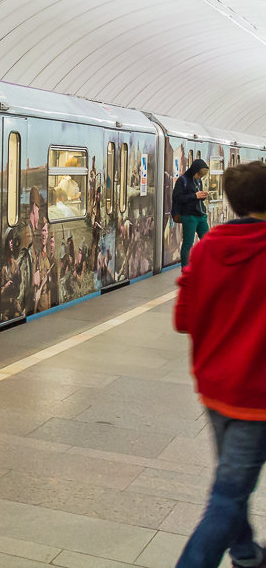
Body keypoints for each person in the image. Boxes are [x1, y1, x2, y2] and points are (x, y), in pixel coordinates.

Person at [175, 161, 266, 568]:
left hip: (214, 390)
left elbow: (184, 319)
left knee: (233, 484)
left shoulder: (207, 247)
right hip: (256, 397)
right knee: (228, 495)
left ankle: (246, 555)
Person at [173, 158, 210, 266]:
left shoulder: (198, 180)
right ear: (194, 171)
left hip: (200, 215)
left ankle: (206, 266)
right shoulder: (182, 180)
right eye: (198, 175)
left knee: (207, 241)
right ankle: (186, 269)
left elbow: (198, 196)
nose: (199, 177)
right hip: (189, 216)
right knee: (188, 244)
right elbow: (177, 198)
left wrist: (202, 196)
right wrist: (194, 196)